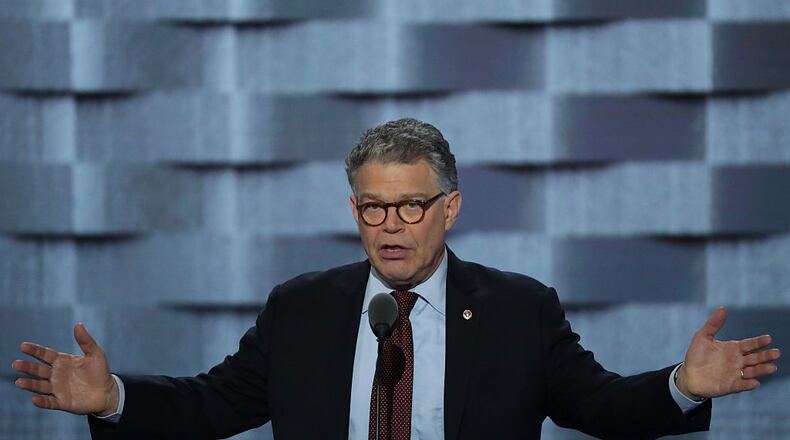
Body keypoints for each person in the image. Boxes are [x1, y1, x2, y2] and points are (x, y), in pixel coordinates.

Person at [12, 118, 781, 439]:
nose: (390, 226)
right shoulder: (302, 308)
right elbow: (210, 404)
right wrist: (112, 399)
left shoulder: (518, 310)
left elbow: (601, 406)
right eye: (373, 207)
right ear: (355, 210)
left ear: (451, 208)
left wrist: (682, 385)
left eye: (411, 206)